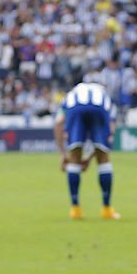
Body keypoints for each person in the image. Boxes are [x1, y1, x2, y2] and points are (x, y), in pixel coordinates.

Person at [54, 80, 119, 220]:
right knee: (103, 159)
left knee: (74, 158)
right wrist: (91, 157)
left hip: (74, 109)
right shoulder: (105, 96)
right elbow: (111, 131)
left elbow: (58, 122)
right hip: (99, 109)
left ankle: (75, 209)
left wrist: (63, 154)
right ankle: (106, 209)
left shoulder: (70, 95)